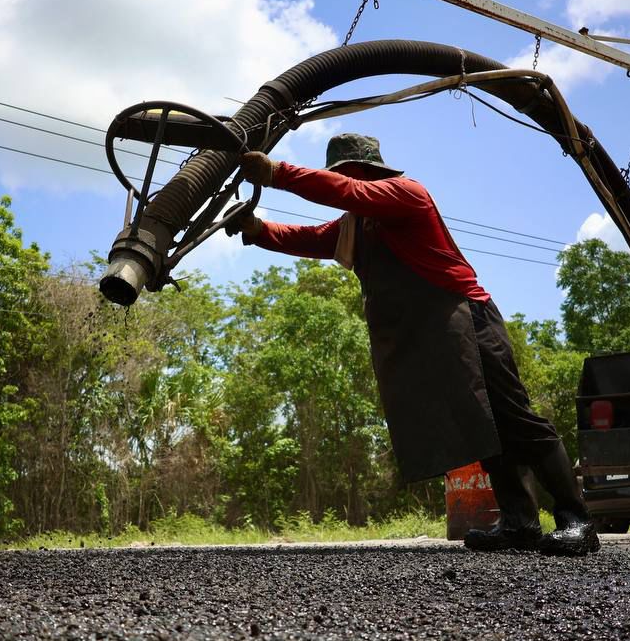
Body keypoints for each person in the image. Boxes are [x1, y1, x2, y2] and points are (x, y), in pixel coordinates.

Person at [233, 134, 599, 556]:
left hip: (470, 319)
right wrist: (258, 229)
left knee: (515, 419)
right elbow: (313, 237)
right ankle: (520, 523)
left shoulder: (406, 194)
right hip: (439, 334)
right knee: (485, 427)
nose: (345, 185)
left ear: (367, 174)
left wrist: (278, 173)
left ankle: (578, 520)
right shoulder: (357, 225)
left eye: (346, 176)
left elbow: (348, 192)